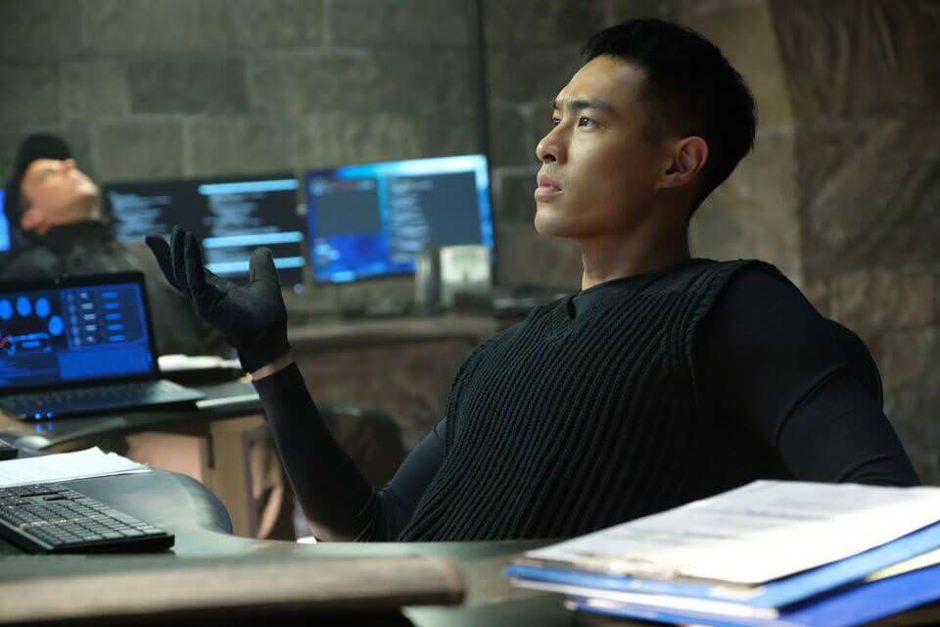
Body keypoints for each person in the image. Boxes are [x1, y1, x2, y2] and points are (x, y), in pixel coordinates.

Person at [147, 18, 918, 543]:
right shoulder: (500, 357)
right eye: (556, 117)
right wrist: (270, 361)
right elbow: (366, 534)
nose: (548, 144)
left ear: (678, 163)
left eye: (587, 121)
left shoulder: (735, 308)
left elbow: (887, 522)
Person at [1, 133, 224, 357]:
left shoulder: (153, 255)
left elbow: (215, 335)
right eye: (48, 174)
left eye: (69, 164)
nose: (69, 165)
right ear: (31, 217)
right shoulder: (25, 276)